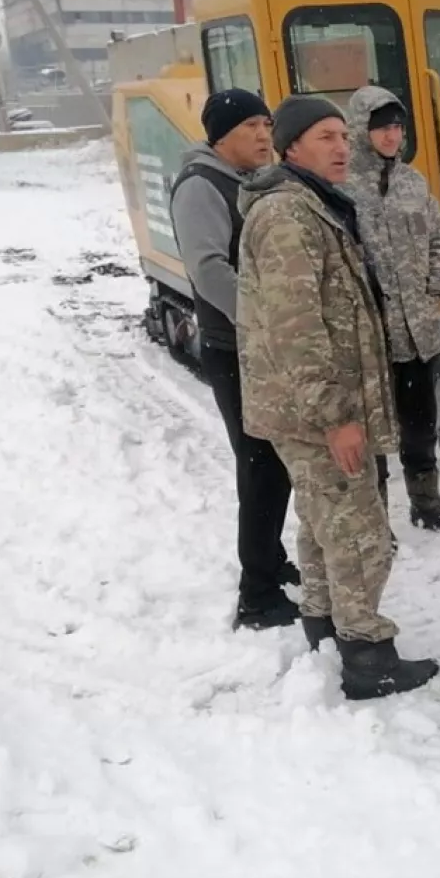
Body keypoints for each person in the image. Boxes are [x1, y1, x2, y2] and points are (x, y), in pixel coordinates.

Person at [235, 94, 439, 700]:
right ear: (291, 147)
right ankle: (368, 656)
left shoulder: (315, 206)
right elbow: (296, 328)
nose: (341, 147)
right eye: (324, 137)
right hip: (317, 410)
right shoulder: (289, 217)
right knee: (357, 528)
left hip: (307, 408)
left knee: (324, 521)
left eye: (340, 136)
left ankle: (324, 627)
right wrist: (335, 416)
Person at [168, 87, 301, 632]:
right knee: (261, 467)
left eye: (267, 123)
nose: (264, 134)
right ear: (220, 135)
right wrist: (270, 320)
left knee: (275, 464)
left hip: (257, 344)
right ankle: (258, 595)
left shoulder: (246, 181)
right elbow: (209, 270)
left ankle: (270, 560)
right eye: (250, 126)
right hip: (239, 347)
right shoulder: (203, 185)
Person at [341, 85, 440, 536]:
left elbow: (437, 235)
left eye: (396, 127)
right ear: (360, 131)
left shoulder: (413, 182)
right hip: (373, 335)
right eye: (381, 128)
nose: (391, 136)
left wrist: (434, 287)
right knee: (373, 433)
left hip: (418, 331)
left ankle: (426, 502)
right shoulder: (344, 187)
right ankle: (377, 520)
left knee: (419, 423)